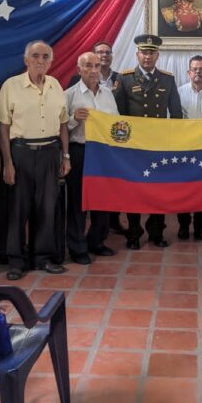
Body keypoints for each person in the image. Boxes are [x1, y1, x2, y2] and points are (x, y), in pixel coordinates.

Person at [0, 40, 71, 280]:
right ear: (26, 59)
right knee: (19, 208)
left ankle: (43, 257)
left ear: (51, 61)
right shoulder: (12, 86)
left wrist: (66, 156)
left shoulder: (56, 85)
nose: (40, 61)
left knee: (47, 209)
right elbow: (3, 128)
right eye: (35, 56)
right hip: (21, 153)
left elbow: (63, 125)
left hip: (51, 152)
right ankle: (16, 260)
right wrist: (7, 163)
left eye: (45, 57)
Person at [115, 34, 183, 249]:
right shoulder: (125, 79)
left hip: (159, 144)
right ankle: (134, 233)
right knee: (133, 190)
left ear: (157, 55)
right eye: (144, 52)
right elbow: (119, 115)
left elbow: (176, 113)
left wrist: (174, 141)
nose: (148, 56)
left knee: (159, 190)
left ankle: (156, 232)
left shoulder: (167, 79)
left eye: (151, 52)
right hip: (134, 146)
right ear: (137, 54)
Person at [64, 52, 119, 264]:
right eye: (88, 66)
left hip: (103, 152)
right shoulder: (69, 95)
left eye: (97, 66)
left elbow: (114, 124)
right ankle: (77, 248)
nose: (94, 70)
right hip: (80, 150)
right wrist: (73, 119)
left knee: (102, 200)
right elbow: (59, 130)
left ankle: (97, 241)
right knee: (78, 201)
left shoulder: (108, 94)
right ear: (79, 70)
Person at [176, 55, 202, 240]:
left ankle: (199, 226)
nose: (198, 72)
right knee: (183, 189)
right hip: (184, 148)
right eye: (194, 69)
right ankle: (183, 225)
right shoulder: (179, 92)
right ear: (189, 72)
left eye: (201, 69)